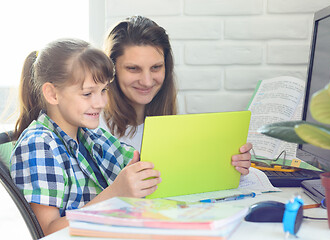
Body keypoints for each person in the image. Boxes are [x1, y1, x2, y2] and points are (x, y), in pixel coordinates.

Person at [10, 39, 161, 236]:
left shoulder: (91, 136)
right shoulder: (39, 145)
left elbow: (137, 162)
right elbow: (47, 231)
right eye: (88, 93)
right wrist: (116, 194)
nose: (100, 103)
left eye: (104, 90)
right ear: (52, 94)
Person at [100, 15, 252, 175]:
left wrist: (231, 165)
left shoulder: (170, 121)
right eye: (133, 68)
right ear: (112, 70)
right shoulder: (95, 127)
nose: (147, 81)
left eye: (156, 67)